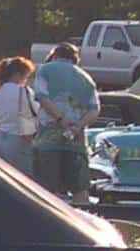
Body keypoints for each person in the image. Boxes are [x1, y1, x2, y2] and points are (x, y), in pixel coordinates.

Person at [30, 42, 99, 204]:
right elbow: (94, 110)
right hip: (77, 141)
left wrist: (60, 119)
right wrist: (78, 125)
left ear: (54, 55)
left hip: (48, 139)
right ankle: (82, 222)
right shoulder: (86, 78)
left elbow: (42, 96)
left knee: (46, 190)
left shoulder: (45, 70)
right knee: (79, 189)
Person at [0, 56, 39, 175]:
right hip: (17, 138)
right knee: (23, 179)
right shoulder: (23, 91)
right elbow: (36, 110)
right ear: (17, 74)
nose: (25, 79)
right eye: (25, 76)